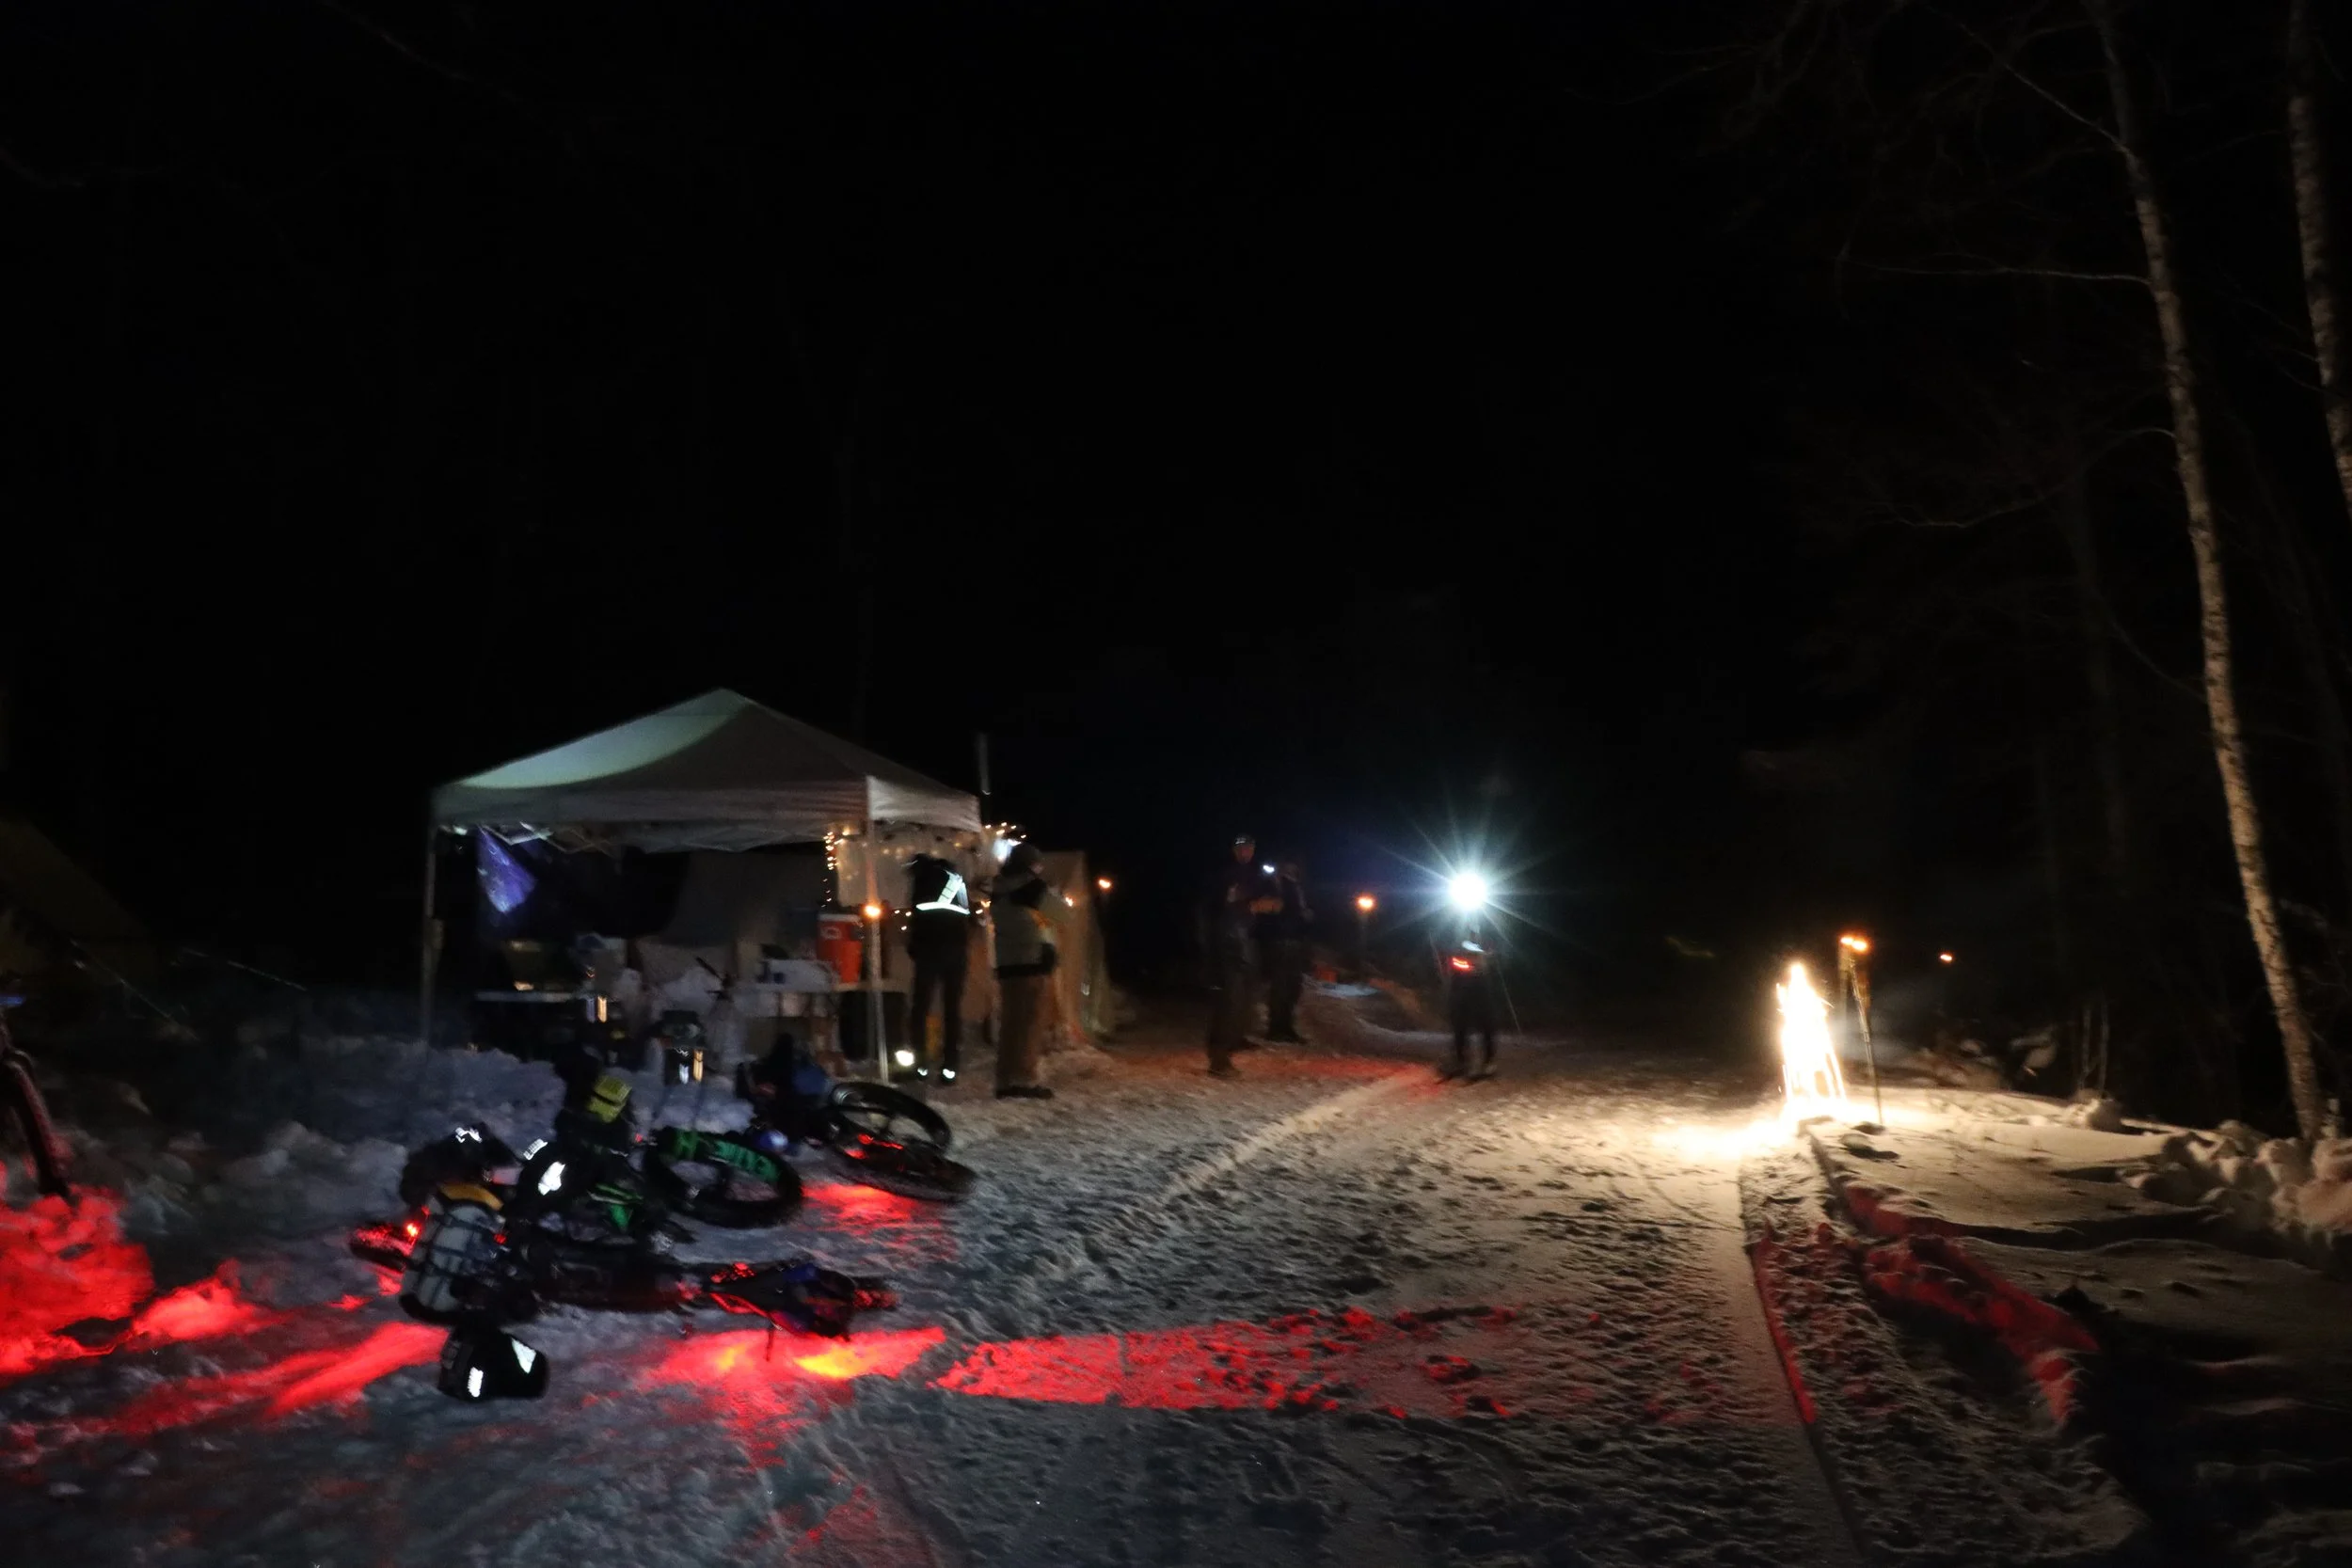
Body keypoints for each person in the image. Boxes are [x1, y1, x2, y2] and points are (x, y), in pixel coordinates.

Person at [1200, 834, 1279, 1077]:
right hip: (1228, 942)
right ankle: (1219, 1058)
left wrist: (1269, 904)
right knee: (1229, 998)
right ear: (1234, 850)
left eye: (1250, 848)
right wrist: (1250, 906)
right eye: (1242, 848)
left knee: (1244, 998)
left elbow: (1270, 902)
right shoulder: (1224, 874)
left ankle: (1232, 1043)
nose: (1247, 852)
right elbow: (1219, 907)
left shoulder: (1254, 873)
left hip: (1245, 940)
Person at [990, 842, 1062, 1100]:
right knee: (1031, 1023)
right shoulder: (1032, 887)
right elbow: (1062, 913)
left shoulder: (999, 888)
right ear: (1031, 864)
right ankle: (1025, 1078)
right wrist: (1053, 891)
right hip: (1033, 961)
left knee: (1011, 1023)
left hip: (1007, 963)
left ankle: (1005, 1078)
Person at [905, 851, 974, 1084]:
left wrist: (914, 946)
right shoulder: (956, 878)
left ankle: (920, 1066)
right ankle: (950, 1067)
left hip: (930, 951)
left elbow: (919, 917)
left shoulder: (923, 880)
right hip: (957, 951)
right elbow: (968, 917)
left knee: (920, 1008)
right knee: (952, 1010)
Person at [1439, 915, 1501, 1082]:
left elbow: (1494, 958)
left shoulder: (1487, 939)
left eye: (1474, 931)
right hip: (1462, 987)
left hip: (1482, 988)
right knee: (1460, 1025)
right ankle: (1460, 1060)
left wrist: (1486, 960)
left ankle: (1489, 1061)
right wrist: (1469, 965)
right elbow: (1455, 962)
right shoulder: (1458, 942)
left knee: (1487, 1024)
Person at [1258, 860, 1311, 1044]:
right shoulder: (1278, 884)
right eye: (1290, 865)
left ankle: (1286, 1027)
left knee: (1292, 986)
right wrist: (1297, 916)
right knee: (1281, 986)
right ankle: (1276, 1028)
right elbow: (1274, 910)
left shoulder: (1295, 886)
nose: (1293, 869)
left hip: (1293, 940)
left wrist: (1304, 918)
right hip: (1282, 940)